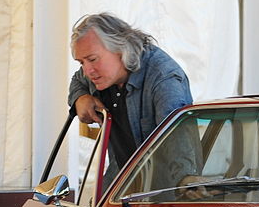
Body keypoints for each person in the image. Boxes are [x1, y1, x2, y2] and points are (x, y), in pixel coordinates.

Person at [69, 13, 200, 188]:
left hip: (164, 199)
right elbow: (78, 80)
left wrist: (186, 181)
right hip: (118, 192)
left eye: (92, 59)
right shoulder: (102, 74)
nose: (87, 71)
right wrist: (80, 97)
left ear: (121, 49)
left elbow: (176, 137)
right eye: (81, 63)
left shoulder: (164, 79)